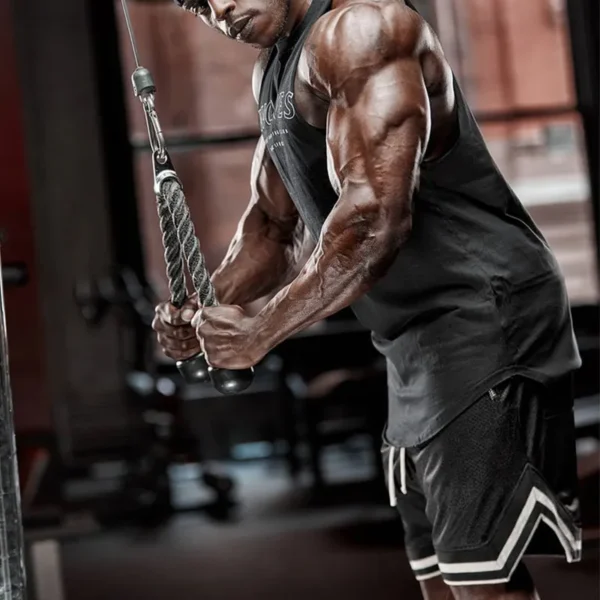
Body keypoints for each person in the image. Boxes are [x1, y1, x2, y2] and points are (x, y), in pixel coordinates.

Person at [152, 0, 583, 598]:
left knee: (483, 582)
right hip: (411, 341)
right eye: (197, 3)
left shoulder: (362, 31)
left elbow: (374, 219)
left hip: (483, 315)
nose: (220, 9)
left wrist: (257, 333)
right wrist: (201, 307)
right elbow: (272, 229)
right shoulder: (274, 68)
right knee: (440, 573)